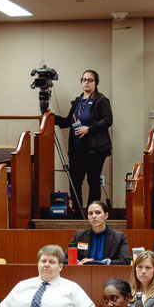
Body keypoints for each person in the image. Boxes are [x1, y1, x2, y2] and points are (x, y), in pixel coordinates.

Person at [54, 69, 114, 209]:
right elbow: (68, 122)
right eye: (84, 80)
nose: (86, 82)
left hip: (94, 149)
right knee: (74, 182)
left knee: (93, 181)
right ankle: (77, 212)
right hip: (77, 149)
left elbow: (108, 121)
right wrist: (51, 117)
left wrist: (89, 129)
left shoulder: (101, 100)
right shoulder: (77, 102)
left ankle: (92, 212)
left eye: (90, 80)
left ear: (96, 82)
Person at [0, 245, 98, 307]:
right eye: (43, 261)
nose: (46, 265)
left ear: (61, 267)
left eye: (52, 262)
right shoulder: (22, 285)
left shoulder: (72, 288)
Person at [68, 200, 131, 264]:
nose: (94, 216)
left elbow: (126, 260)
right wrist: (80, 262)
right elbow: (66, 259)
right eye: (90, 213)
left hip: (109, 273)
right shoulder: (79, 236)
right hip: (84, 273)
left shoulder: (119, 237)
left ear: (106, 215)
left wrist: (106, 263)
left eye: (98, 213)